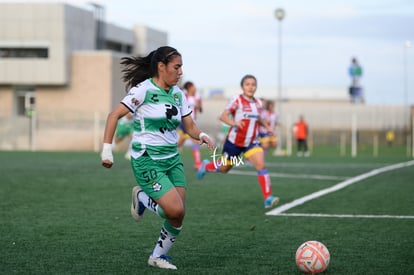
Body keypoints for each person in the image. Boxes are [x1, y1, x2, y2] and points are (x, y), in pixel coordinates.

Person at [100, 46, 214, 270]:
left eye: (181, 67)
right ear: (161, 67)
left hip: (172, 159)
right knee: (175, 210)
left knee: (177, 214)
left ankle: (156, 256)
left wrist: (200, 134)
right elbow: (114, 115)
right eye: (177, 67)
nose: (181, 72)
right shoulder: (143, 90)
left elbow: (189, 125)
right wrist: (107, 150)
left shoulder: (177, 93)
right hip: (147, 159)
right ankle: (142, 197)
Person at [197, 74, 279, 209]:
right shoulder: (237, 100)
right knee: (224, 169)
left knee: (261, 166)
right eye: (247, 84)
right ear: (242, 86)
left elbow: (258, 118)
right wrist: (234, 123)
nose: (250, 87)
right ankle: (206, 166)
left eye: (253, 84)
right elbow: (223, 116)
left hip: (252, 142)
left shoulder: (258, 103)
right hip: (234, 143)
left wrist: (268, 127)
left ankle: (268, 198)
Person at [177, 81, 203, 169]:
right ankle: (198, 164)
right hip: (185, 122)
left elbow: (200, 110)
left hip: (192, 123)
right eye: (193, 86)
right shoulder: (184, 96)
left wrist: (198, 105)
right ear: (189, 88)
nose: (195, 88)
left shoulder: (197, 97)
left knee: (180, 143)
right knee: (195, 141)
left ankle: (166, 156)